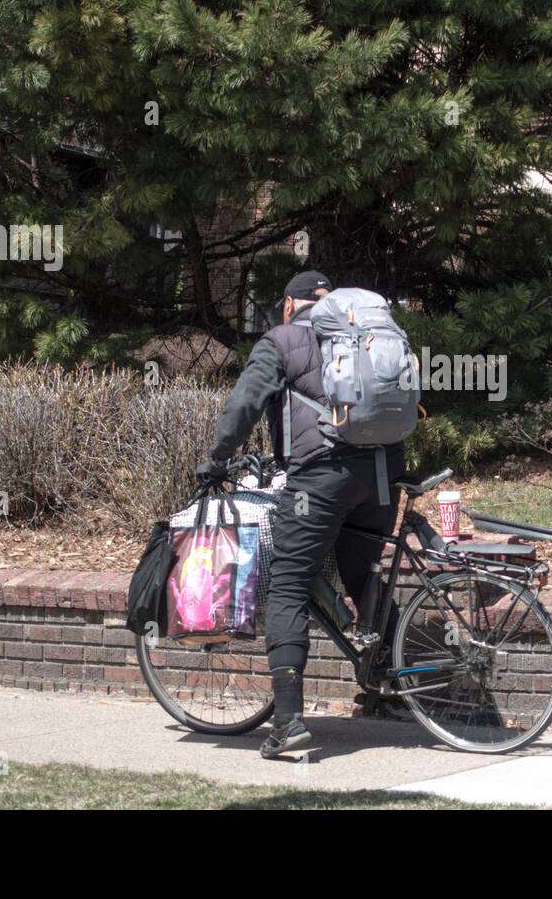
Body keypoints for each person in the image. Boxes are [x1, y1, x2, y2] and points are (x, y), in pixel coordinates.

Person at [196, 271, 405, 758]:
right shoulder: (367, 334)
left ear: (289, 306)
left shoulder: (282, 339)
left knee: (289, 582)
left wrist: (217, 460)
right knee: (363, 573)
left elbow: (243, 405)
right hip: (384, 473)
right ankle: (391, 684)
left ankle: (288, 721)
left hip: (323, 478)